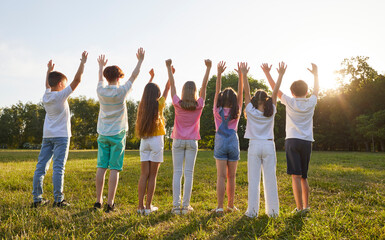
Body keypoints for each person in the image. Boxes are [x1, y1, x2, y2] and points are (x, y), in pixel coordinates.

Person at [32, 51, 88, 208]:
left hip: (47, 136)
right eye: (64, 83)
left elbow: (47, 85)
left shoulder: (46, 96)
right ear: (61, 85)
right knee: (58, 168)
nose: (66, 85)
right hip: (62, 136)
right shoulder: (60, 96)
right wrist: (82, 62)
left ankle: (37, 199)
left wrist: (48, 71)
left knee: (41, 167)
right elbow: (77, 80)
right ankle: (58, 200)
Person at [262, 62, 319, 213]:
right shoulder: (311, 102)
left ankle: (299, 208)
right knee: (304, 177)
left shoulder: (290, 101)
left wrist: (268, 73)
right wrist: (316, 75)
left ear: (292, 93)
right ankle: (306, 207)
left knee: (295, 176)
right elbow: (317, 91)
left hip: (292, 141)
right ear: (306, 92)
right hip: (307, 142)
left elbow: (275, 90)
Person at [94, 48, 145, 213]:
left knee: (101, 167)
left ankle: (98, 201)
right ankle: (110, 204)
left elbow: (100, 79)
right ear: (118, 77)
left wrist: (101, 66)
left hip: (103, 133)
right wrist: (140, 60)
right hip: (118, 134)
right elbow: (134, 76)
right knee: (114, 168)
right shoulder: (122, 91)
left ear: (107, 77)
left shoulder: (100, 90)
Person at [166, 58, 212, 215]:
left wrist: (168, 68)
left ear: (183, 91)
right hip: (192, 142)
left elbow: (172, 86)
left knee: (177, 173)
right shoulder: (199, 104)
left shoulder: (177, 103)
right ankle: (185, 207)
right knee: (189, 174)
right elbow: (204, 86)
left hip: (178, 141)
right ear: (194, 92)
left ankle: (175, 206)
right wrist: (208, 68)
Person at [243, 62, 286, 218]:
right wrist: (280, 74)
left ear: (254, 99)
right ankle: (273, 212)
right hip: (268, 145)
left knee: (253, 181)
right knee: (270, 180)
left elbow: (246, 91)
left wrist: (244, 74)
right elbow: (275, 91)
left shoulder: (250, 110)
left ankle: (252, 212)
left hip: (254, 145)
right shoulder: (272, 109)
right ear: (267, 99)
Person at [136, 65, 171, 216]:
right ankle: (149, 207)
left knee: (144, 175)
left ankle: (140, 207)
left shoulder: (142, 106)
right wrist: (170, 73)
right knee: (153, 175)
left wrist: (150, 78)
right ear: (156, 94)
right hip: (156, 140)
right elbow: (167, 88)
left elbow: (147, 92)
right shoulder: (159, 104)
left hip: (144, 141)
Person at [213, 61, 243, 214]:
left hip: (220, 141)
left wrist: (219, 74)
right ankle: (230, 205)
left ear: (221, 99)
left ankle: (219, 207)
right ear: (235, 101)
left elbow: (218, 90)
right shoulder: (237, 110)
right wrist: (241, 75)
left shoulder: (216, 109)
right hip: (233, 142)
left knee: (221, 176)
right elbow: (241, 92)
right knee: (231, 177)